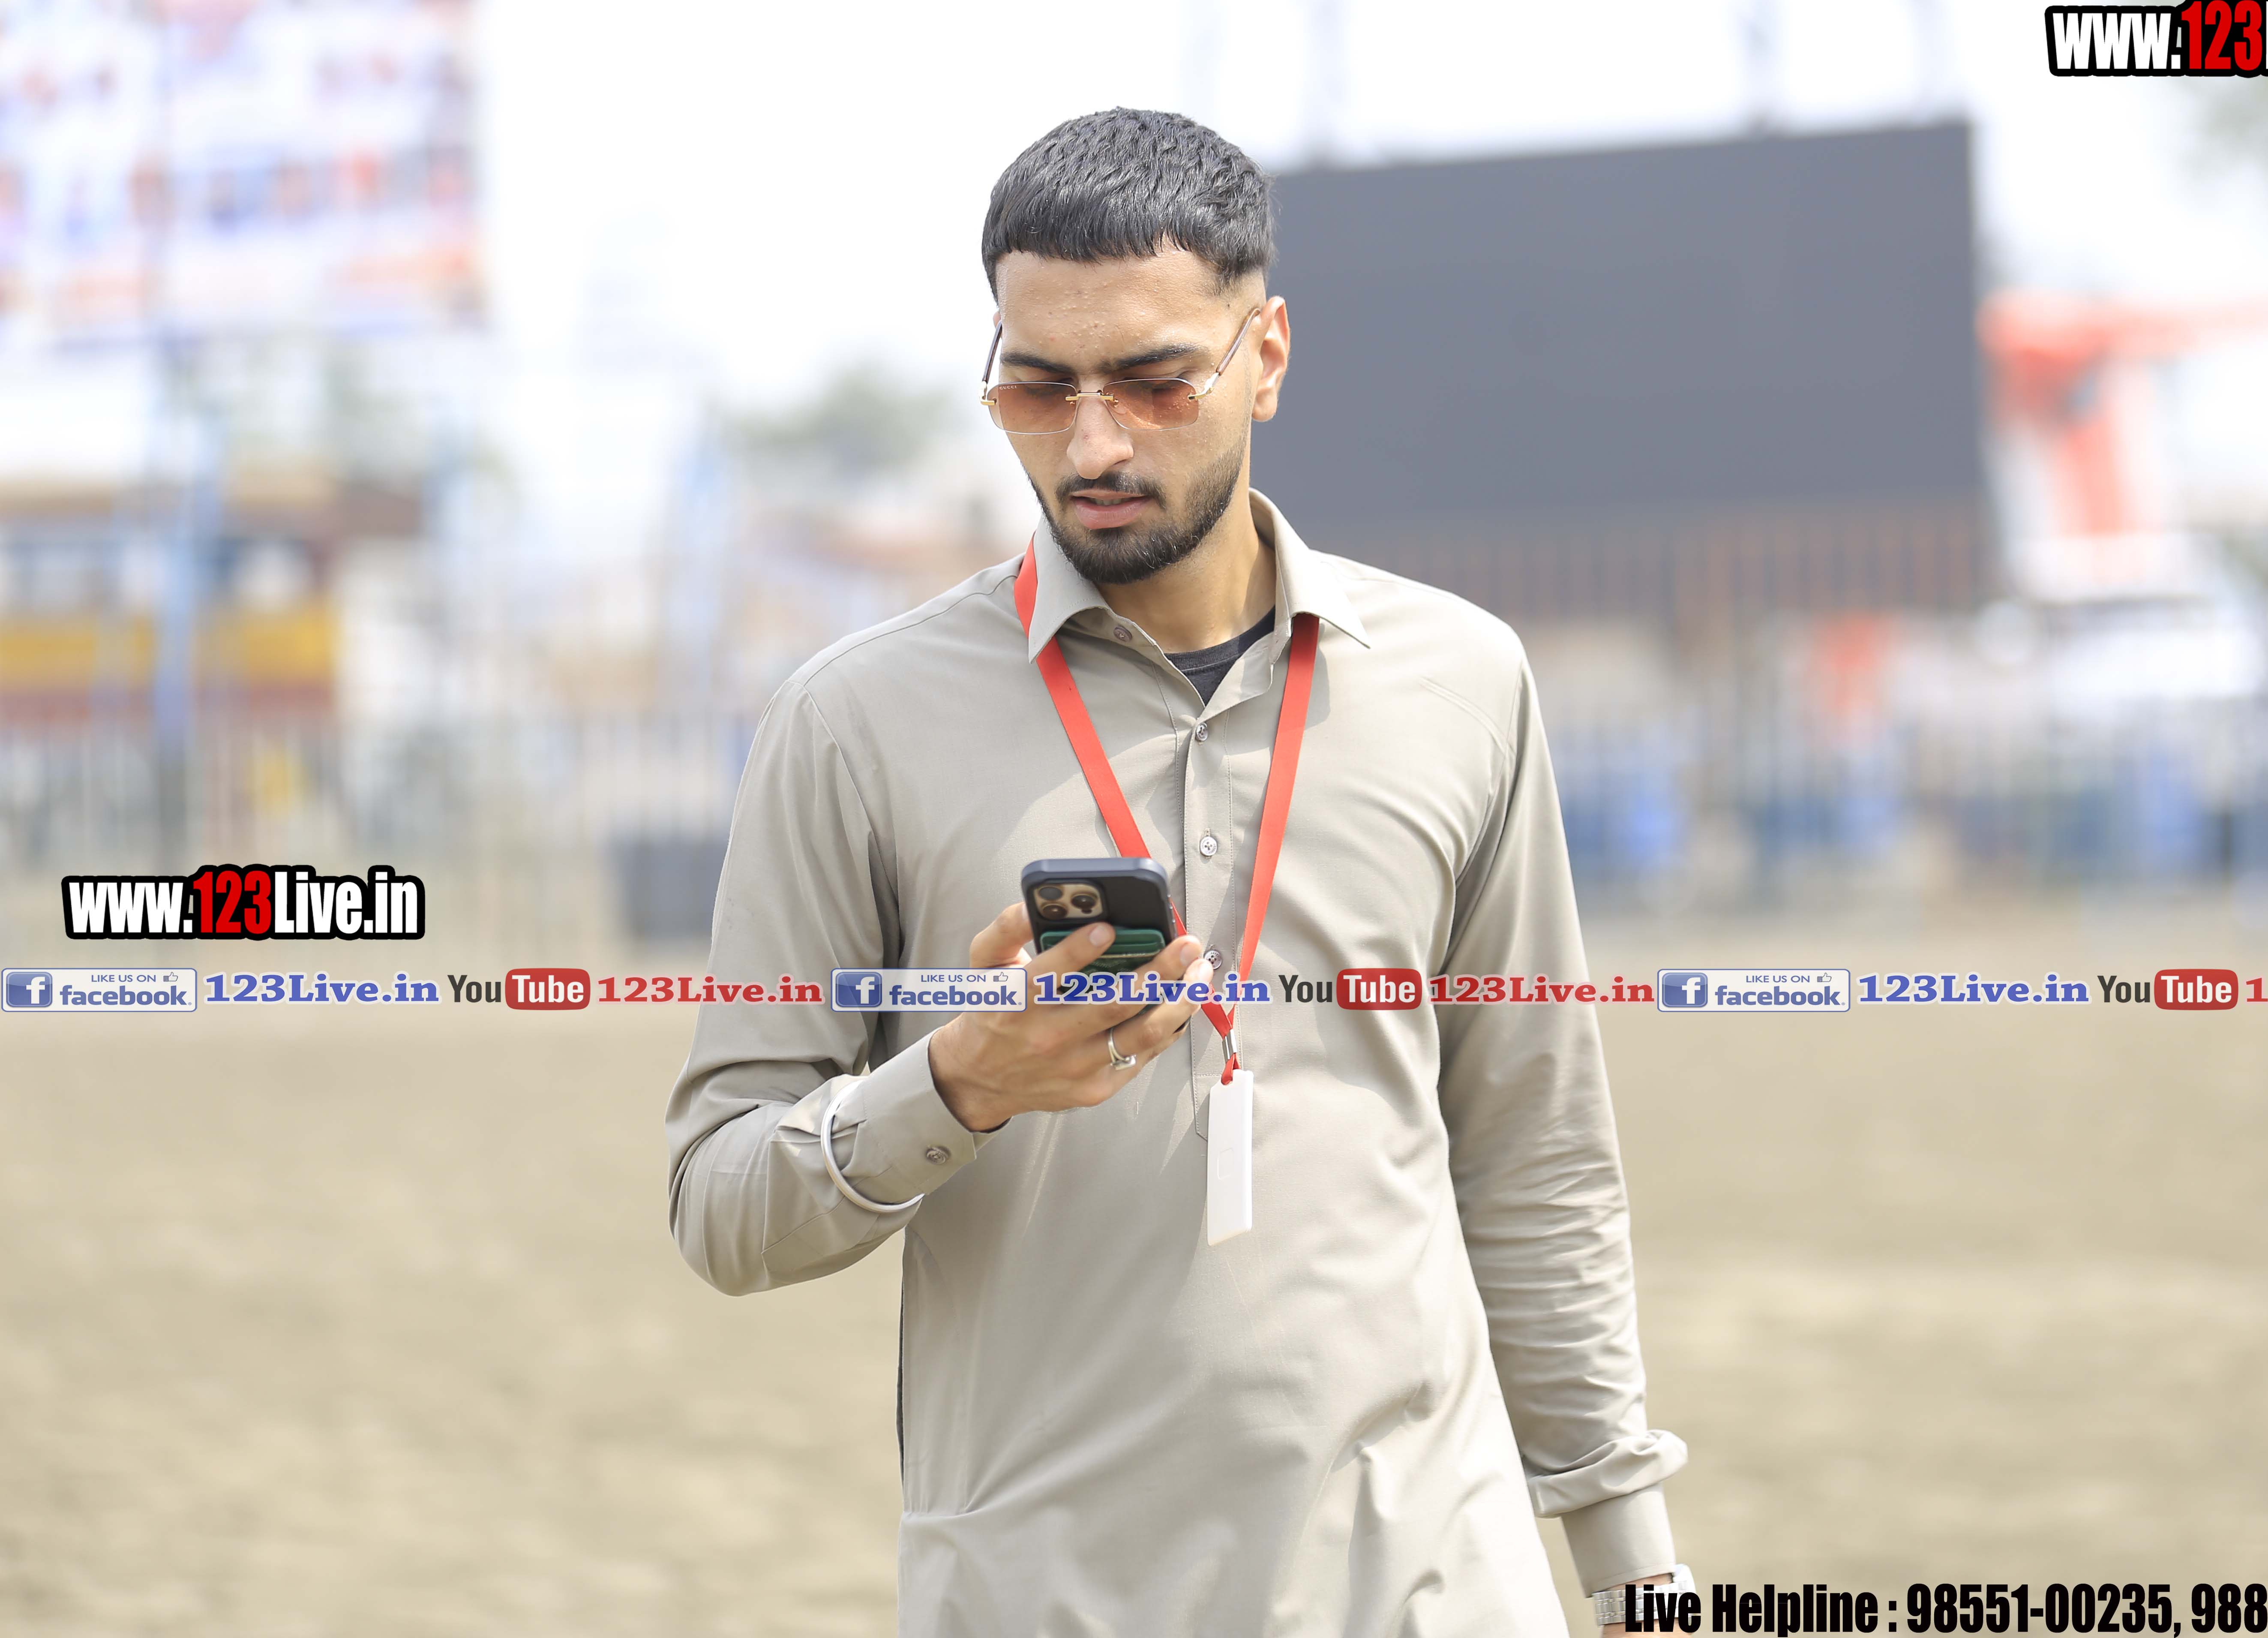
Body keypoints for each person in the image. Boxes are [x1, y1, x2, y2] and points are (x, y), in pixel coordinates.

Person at [666, 107, 1687, 1638]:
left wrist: (1631, 1561)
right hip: (1043, 1597)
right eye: (1037, 387)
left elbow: (1536, 1150)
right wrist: (957, 1084)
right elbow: (722, 1203)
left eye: (1155, 383)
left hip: (1432, 1586)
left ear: (1266, 354)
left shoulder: (1463, 681)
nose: (1092, 447)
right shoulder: (852, 723)